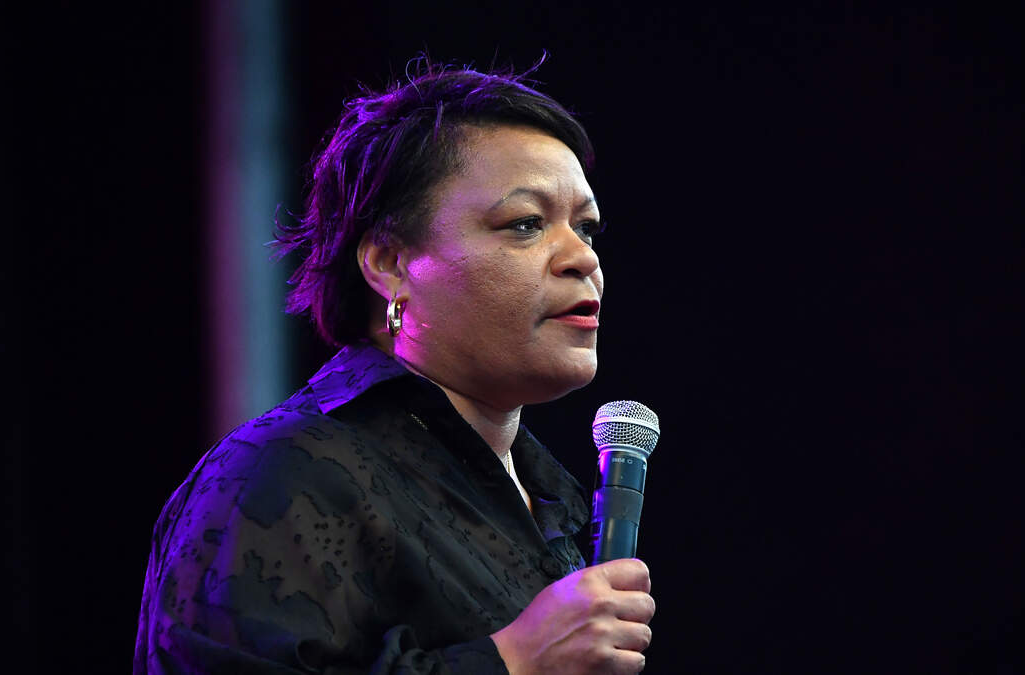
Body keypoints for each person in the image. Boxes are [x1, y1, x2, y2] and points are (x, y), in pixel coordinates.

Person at [134, 59, 655, 674]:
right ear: (389, 264)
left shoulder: (551, 497)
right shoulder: (284, 472)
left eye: (586, 229)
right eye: (525, 224)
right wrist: (513, 662)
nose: (581, 258)